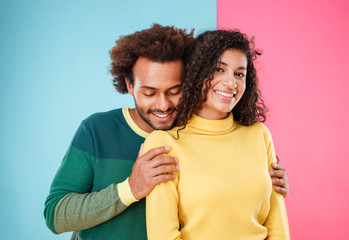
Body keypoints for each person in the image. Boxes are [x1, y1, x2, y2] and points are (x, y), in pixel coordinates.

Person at [44, 24, 289, 240]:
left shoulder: (190, 133)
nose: (162, 105)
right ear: (129, 85)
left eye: (174, 91)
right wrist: (130, 188)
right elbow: (55, 216)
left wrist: (261, 180)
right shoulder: (98, 130)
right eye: (149, 92)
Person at [144, 29, 290, 239]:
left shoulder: (259, 135)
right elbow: (162, 235)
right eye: (219, 69)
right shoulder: (165, 143)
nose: (231, 83)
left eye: (239, 74)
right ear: (196, 72)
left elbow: (278, 227)